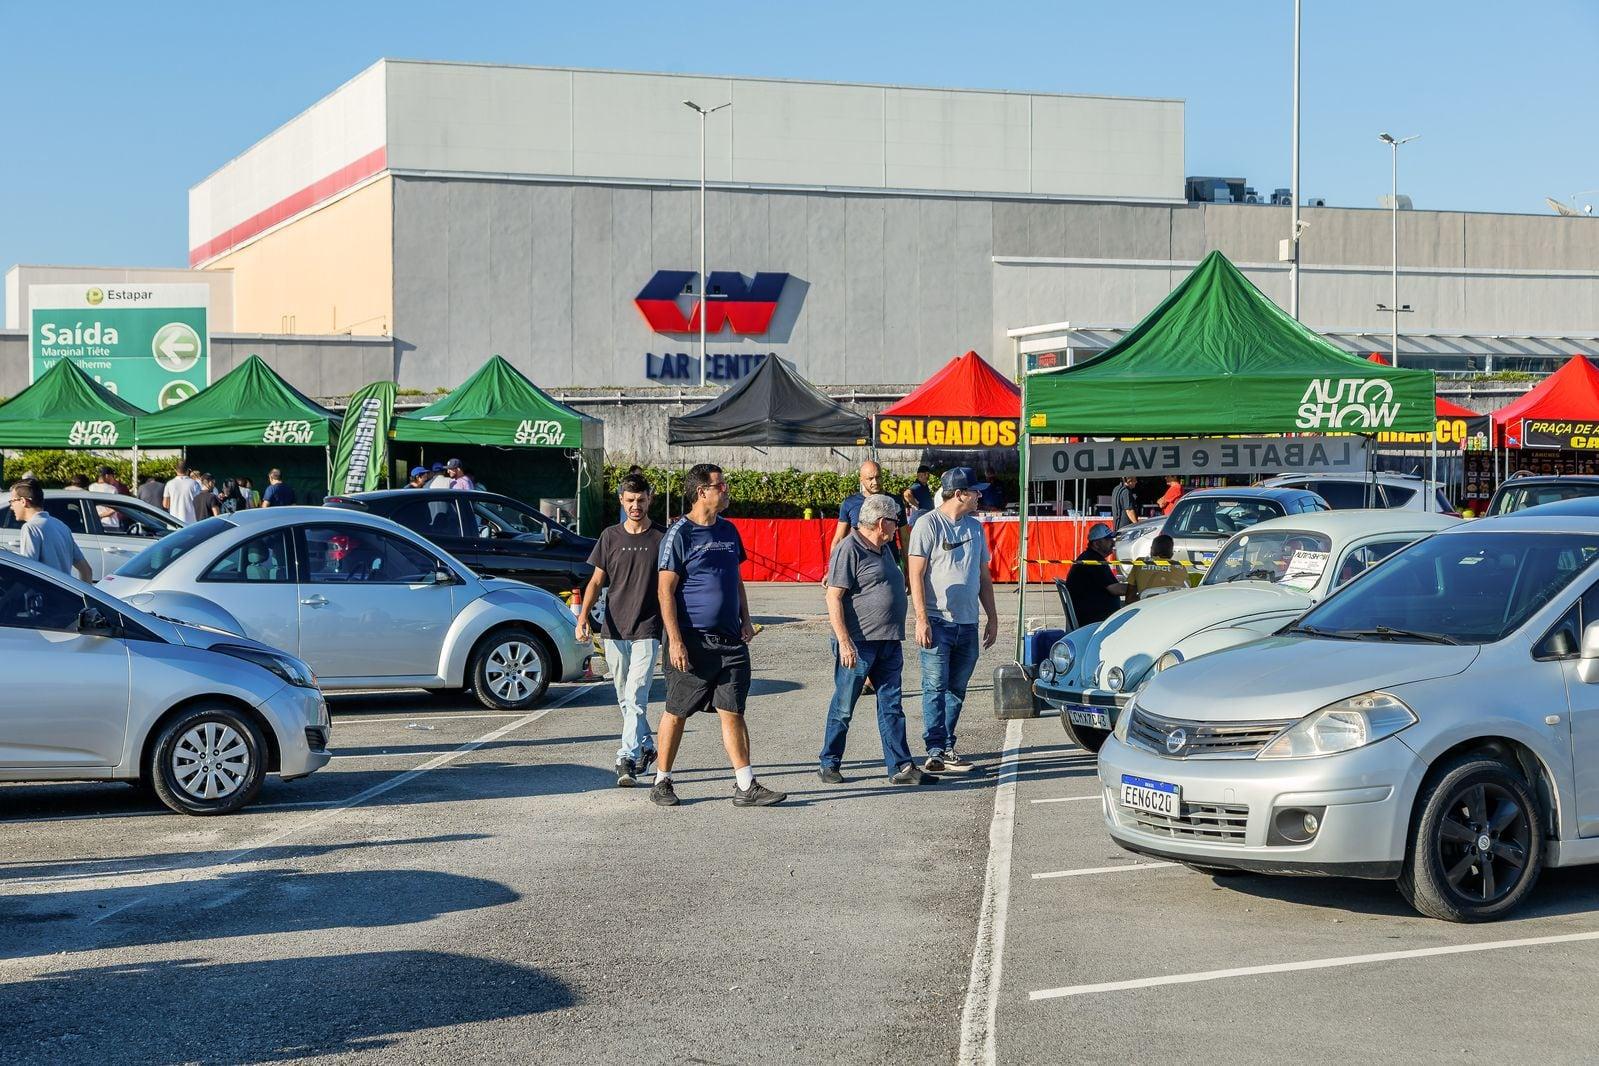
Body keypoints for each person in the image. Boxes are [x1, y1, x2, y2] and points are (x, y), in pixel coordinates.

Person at [654, 462, 785, 808]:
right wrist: (676, 640)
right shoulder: (679, 534)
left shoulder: (728, 531)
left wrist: (745, 617)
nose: (726, 490)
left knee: (733, 710)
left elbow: (734, 579)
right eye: (721, 485)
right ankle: (662, 780)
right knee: (677, 709)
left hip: (730, 640)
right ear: (702, 492)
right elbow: (665, 590)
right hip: (692, 640)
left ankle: (746, 786)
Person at [818, 492, 936, 786]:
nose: (899, 526)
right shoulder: (849, 548)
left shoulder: (884, 548)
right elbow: (833, 597)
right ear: (882, 522)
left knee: (892, 706)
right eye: (896, 522)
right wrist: (844, 642)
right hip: (859, 644)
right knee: (844, 707)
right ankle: (829, 762)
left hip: (888, 641)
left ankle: (901, 767)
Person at [907, 467, 998, 773]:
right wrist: (921, 619)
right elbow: (915, 574)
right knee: (934, 687)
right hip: (937, 621)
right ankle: (935, 749)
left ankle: (946, 746)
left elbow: (983, 575)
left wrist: (993, 617)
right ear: (959, 494)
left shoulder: (975, 528)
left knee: (956, 689)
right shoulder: (927, 524)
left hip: (968, 623)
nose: (979, 495)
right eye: (975, 491)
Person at [577, 472, 665, 788]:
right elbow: (597, 581)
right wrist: (583, 617)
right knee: (624, 698)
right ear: (621, 501)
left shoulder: (661, 538)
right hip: (613, 629)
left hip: (647, 627)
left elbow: (671, 587)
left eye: (641, 500)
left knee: (636, 693)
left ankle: (625, 758)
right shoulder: (610, 537)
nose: (636, 506)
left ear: (649, 499)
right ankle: (648, 746)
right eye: (630, 500)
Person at [9, 481, 91, 582]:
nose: (11, 507)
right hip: (63, 595)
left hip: (43, 596)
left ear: (23, 501)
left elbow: (27, 572)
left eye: (12, 501)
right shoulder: (62, 526)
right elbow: (86, 570)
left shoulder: (30, 527)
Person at [1064, 523, 1129, 626]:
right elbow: (1115, 589)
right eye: (1108, 540)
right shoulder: (1093, 561)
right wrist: (1139, 588)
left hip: (1091, 613)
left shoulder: (1090, 557)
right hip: (1094, 618)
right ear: (1096, 543)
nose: (1112, 543)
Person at [831, 460, 888, 555]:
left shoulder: (894, 502)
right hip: (860, 563)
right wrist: (834, 566)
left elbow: (905, 538)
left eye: (878, 477)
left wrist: (909, 568)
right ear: (861, 480)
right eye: (870, 478)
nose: (875, 482)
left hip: (889, 562)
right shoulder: (850, 503)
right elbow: (839, 539)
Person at [1126, 534, 1188, 604]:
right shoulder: (1180, 567)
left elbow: (1129, 599)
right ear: (1171, 552)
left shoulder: (1141, 562)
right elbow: (1185, 592)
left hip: (1145, 608)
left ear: (1152, 550)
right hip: (1172, 607)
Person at [88, 466, 127, 531]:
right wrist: (100, 516)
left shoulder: (91, 487)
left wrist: (96, 516)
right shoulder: (112, 489)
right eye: (112, 476)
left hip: (94, 523)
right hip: (110, 524)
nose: (113, 479)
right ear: (107, 476)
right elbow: (114, 509)